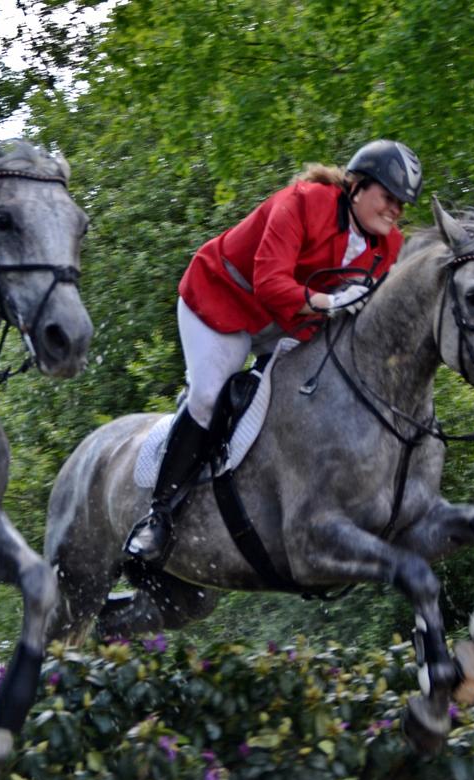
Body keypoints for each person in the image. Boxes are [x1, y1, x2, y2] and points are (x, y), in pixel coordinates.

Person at [124, 139, 422, 561]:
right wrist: (328, 302)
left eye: (402, 205)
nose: (394, 211)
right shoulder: (303, 202)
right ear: (356, 186)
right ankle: (158, 517)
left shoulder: (388, 246)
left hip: (287, 322)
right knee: (209, 396)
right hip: (223, 300)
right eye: (388, 197)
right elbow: (269, 282)